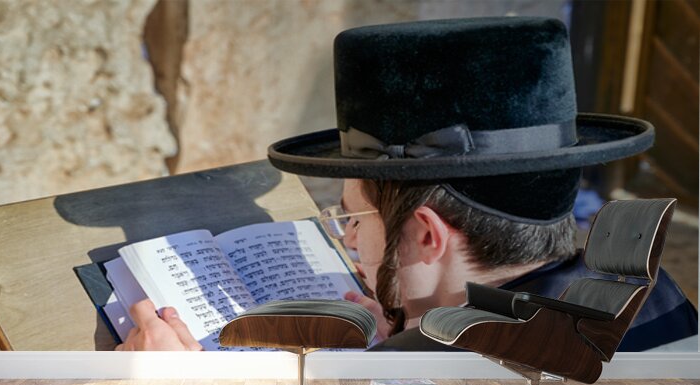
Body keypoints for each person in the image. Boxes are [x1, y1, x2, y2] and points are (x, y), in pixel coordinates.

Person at [116, 17, 697, 352]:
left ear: (425, 236)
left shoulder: (450, 375)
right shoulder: (646, 291)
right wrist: (416, 321)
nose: (344, 242)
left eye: (350, 219)